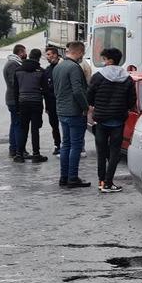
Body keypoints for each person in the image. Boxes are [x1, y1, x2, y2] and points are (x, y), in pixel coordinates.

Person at [87, 47, 137, 193]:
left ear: (109, 60)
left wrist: (96, 105)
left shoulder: (98, 77)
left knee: (101, 152)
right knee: (115, 153)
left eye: (104, 59)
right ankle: (109, 182)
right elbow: (131, 100)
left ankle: (101, 181)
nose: (103, 62)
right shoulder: (127, 78)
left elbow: (89, 96)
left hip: (101, 120)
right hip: (118, 120)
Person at [53, 41, 90, 188]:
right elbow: (77, 90)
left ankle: (64, 177)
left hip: (62, 111)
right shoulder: (74, 68)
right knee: (76, 145)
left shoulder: (58, 66)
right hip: (74, 112)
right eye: (83, 54)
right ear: (79, 52)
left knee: (65, 145)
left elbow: (56, 90)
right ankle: (73, 177)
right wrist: (86, 107)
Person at [13, 49, 50, 163]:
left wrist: (17, 107)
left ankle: (19, 154)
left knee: (23, 129)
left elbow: (15, 91)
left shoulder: (18, 71)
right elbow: (46, 91)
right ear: (39, 58)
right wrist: (47, 106)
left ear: (29, 56)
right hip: (36, 103)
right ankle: (36, 154)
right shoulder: (41, 71)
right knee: (35, 129)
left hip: (22, 102)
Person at [3, 44, 28, 158]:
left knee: (15, 124)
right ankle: (18, 150)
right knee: (18, 125)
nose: (25, 55)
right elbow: (15, 83)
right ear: (21, 52)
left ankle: (14, 149)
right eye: (24, 52)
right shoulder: (13, 64)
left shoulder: (13, 63)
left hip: (13, 98)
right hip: (14, 99)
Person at [43, 46, 62, 155]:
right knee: (54, 125)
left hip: (62, 101)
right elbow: (45, 89)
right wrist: (46, 106)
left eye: (49, 54)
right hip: (51, 103)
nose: (47, 57)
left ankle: (68, 145)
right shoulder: (47, 70)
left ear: (55, 55)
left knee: (66, 124)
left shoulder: (63, 66)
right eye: (47, 55)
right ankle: (57, 145)